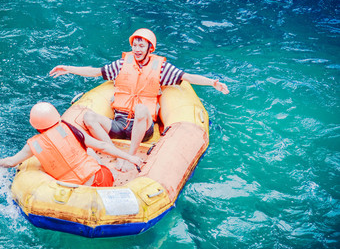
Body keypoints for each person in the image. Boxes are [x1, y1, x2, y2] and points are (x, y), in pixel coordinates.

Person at [49, 28, 229, 172]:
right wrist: (68, 68)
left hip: (144, 128)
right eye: (135, 45)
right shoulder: (121, 65)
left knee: (142, 109)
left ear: (150, 48)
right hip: (120, 123)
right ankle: (119, 155)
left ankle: (131, 156)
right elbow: (96, 71)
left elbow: (187, 76)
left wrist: (213, 83)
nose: (137, 49)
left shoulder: (161, 69)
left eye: (141, 46)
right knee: (88, 117)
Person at [0, 102, 143, 187]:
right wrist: (131, 158)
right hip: (100, 180)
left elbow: (11, 162)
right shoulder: (69, 129)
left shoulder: (33, 145)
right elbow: (103, 147)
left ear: (36, 126)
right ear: (57, 119)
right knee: (90, 151)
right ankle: (113, 173)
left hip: (75, 191)